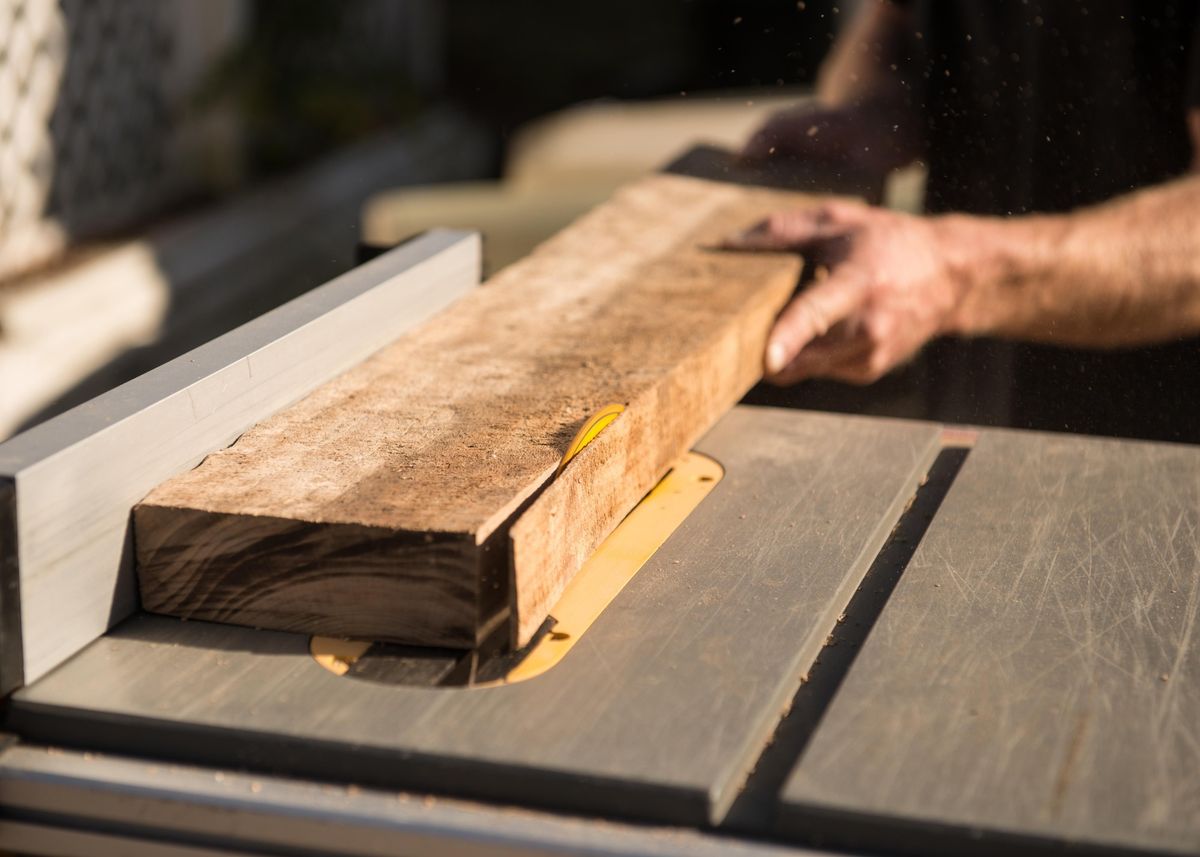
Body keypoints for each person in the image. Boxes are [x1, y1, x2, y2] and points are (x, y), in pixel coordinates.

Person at [731, 0, 1200, 440]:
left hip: (1161, 460)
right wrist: (878, 111)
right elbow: (893, 28)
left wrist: (953, 273)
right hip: (970, 411)